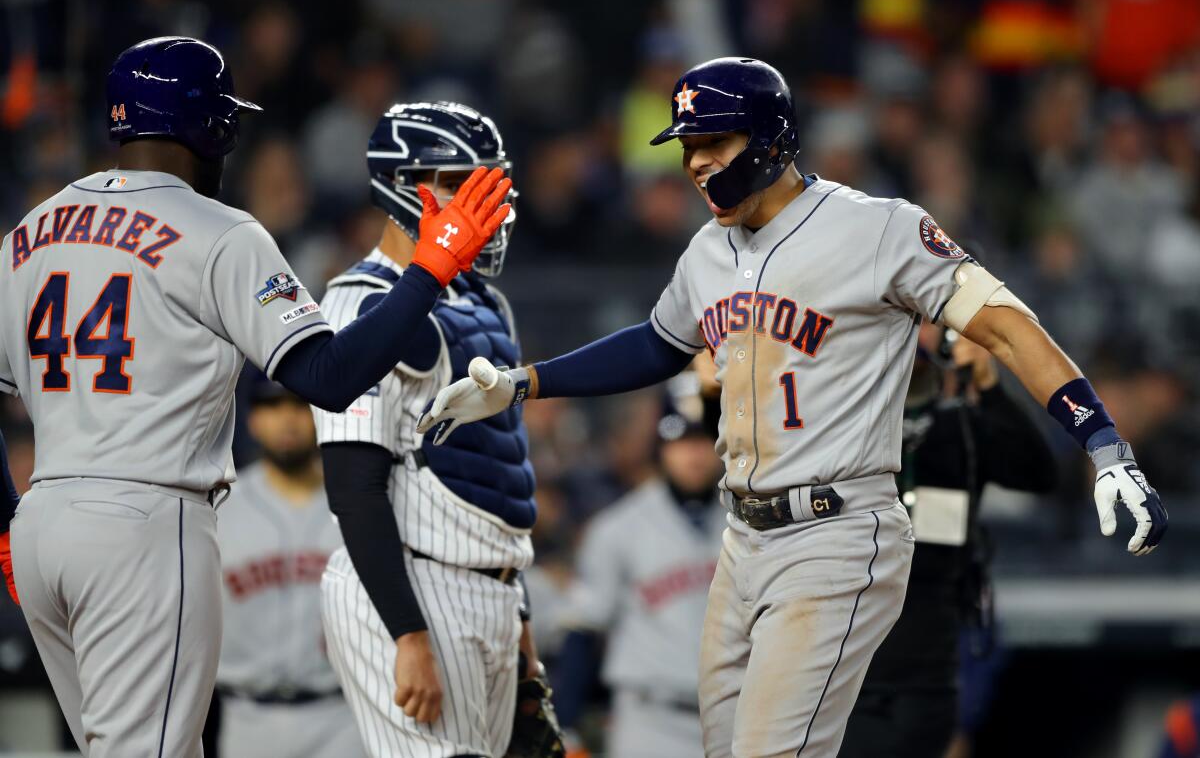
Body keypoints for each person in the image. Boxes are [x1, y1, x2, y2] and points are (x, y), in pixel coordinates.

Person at [417, 57, 1168, 757]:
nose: (697, 161)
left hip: (838, 533)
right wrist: (525, 384)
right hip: (741, 540)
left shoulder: (880, 229)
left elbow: (1006, 324)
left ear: (771, 137)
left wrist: (1105, 446)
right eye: (687, 146)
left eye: (714, 139)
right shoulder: (708, 250)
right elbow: (656, 343)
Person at [0, 37, 510, 757]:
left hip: (43, 523)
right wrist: (428, 270)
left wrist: (5, 518)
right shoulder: (220, 231)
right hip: (146, 523)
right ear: (211, 128)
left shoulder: (29, 232)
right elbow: (328, 379)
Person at [313, 101, 562, 758]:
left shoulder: (485, 300)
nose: (482, 198)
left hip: (493, 590)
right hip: (413, 586)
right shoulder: (359, 304)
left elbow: (497, 468)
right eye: (460, 181)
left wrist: (521, 616)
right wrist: (407, 635)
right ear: (403, 184)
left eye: (490, 180)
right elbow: (353, 486)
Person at [839, 326, 1055, 758]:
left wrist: (988, 385)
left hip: (928, 665)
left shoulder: (963, 429)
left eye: (928, 319)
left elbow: (1038, 473)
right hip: (843, 657)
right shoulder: (842, 423)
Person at [553, 376, 725, 758]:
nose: (693, 455)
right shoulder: (617, 528)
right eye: (680, 442)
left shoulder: (752, 523)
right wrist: (566, 723)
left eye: (703, 442)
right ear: (660, 448)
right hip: (650, 721)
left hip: (739, 717)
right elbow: (583, 631)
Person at [214, 375, 365, 758]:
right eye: (272, 406)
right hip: (244, 716)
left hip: (343, 716)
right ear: (251, 419)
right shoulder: (219, 508)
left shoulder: (362, 506)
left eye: (299, 406)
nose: (287, 419)